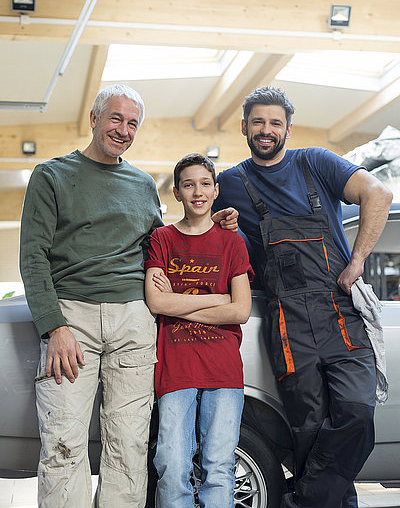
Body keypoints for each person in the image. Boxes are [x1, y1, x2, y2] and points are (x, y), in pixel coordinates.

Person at [19, 85, 237, 508]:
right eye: (116, 118)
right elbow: (32, 257)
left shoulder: (141, 184)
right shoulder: (52, 176)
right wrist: (54, 326)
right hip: (71, 320)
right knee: (63, 444)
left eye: (132, 123)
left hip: (134, 322)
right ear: (94, 119)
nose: (123, 129)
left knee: (129, 448)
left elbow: (161, 244)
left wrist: (211, 222)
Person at [212, 86, 393, 508]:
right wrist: (225, 226)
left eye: (275, 122)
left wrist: (358, 260)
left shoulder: (315, 162)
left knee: (357, 413)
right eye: (258, 121)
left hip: (339, 309)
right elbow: (201, 226)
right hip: (285, 319)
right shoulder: (230, 183)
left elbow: (378, 194)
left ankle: (305, 498)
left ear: (288, 128)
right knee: (308, 428)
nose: (266, 129)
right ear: (244, 127)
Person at [144, 153, 254, 508]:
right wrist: (216, 301)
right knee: (172, 466)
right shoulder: (162, 238)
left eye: (205, 184)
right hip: (175, 369)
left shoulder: (232, 243)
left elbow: (241, 310)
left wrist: (180, 302)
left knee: (219, 468)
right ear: (176, 192)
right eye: (188, 185)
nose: (197, 192)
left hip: (223, 369)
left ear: (216, 190)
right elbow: (157, 304)